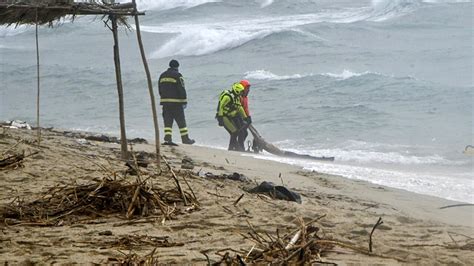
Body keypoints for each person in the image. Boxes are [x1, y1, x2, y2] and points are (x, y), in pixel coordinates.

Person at [158, 59, 195, 145]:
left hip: (165, 103)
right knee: (181, 121)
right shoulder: (178, 75)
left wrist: (163, 98)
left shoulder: (162, 75)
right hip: (176, 103)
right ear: (177, 67)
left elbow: (159, 89)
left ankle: (168, 139)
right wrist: (184, 101)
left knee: (167, 121)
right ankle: (185, 139)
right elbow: (181, 88)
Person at [216, 82, 250, 151]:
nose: (241, 93)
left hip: (229, 116)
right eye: (241, 92)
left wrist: (246, 117)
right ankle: (231, 149)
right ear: (237, 91)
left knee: (237, 132)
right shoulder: (227, 97)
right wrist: (220, 118)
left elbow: (239, 108)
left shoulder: (236, 97)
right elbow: (221, 107)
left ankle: (234, 148)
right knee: (234, 132)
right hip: (223, 116)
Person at [237, 79, 252, 150]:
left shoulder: (245, 98)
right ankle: (240, 148)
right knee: (242, 132)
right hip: (235, 117)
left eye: (249, 88)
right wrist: (245, 118)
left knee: (244, 133)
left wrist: (248, 117)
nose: (248, 90)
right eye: (247, 88)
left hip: (242, 117)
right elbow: (239, 109)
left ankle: (238, 147)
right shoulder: (239, 97)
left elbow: (246, 108)